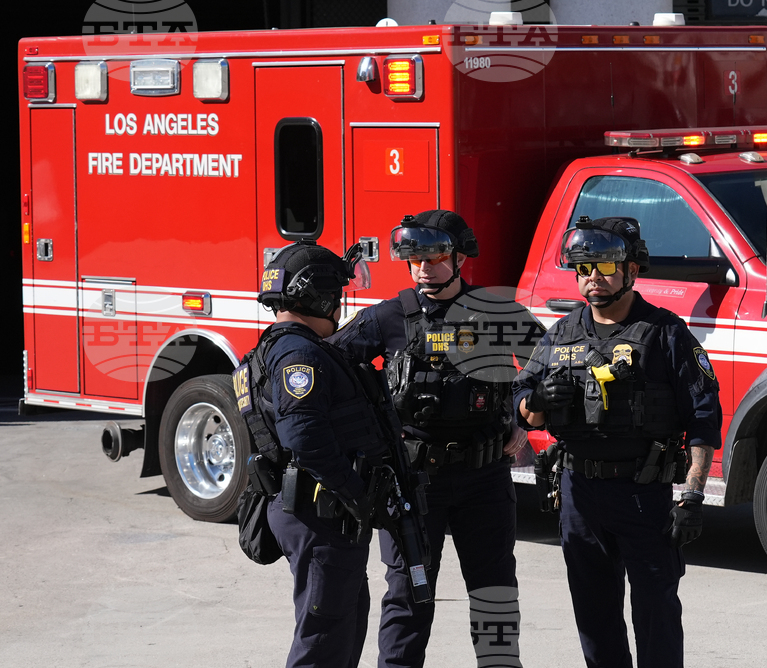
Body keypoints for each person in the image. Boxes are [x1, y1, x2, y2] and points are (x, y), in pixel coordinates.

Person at [512, 216, 722, 668]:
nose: (593, 279)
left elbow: (703, 420)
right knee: (594, 617)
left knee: (656, 613)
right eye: (583, 269)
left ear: (632, 269)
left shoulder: (667, 334)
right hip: (578, 494)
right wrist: (537, 401)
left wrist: (692, 496)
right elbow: (521, 403)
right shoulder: (561, 334)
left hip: (644, 494)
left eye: (605, 267)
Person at [331, 209, 526, 668]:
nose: (423, 265)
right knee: (408, 595)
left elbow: (541, 367)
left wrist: (523, 413)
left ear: (459, 258)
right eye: (413, 255)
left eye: (435, 254)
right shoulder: (387, 318)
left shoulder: (496, 311)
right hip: (413, 482)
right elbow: (330, 366)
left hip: (485, 478)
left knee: (494, 591)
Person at [237, 240, 384, 668]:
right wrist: (355, 490)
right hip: (319, 511)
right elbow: (303, 434)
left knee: (343, 626)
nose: (339, 305)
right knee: (322, 640)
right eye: (335, 294)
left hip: (319, 510)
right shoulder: (298, 355)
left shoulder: (283, 348)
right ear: (317, 295)